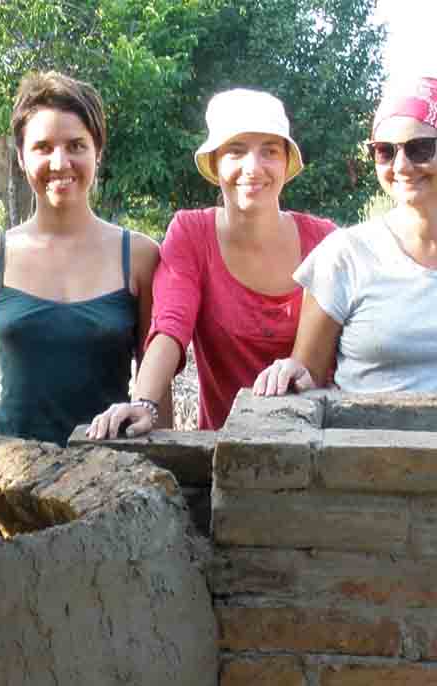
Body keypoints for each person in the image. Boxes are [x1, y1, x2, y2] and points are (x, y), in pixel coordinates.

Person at [88, 88, 335, 438]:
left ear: (285, 163)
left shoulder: (326, 243)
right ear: (216, 162)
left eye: (269, 151)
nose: (253, 167)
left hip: (316, 448)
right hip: (222, 454)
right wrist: (144, 403)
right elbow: (170, 326)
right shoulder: (192, 233)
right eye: (236, 151)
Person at [252, 77, 437, 396]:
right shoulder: (344, 254)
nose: (402, 166)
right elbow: (309, 374)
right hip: (364, 443)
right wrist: (292, 374)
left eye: (420, 149)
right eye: (384, 152)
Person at [0, 71, 158, 445]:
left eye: (76, 145)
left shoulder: (139, 256)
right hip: (9, 477)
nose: (60, 162)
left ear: (98, 152)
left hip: (109, 474)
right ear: (23, 158)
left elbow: (154, 390)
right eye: (43, 147)